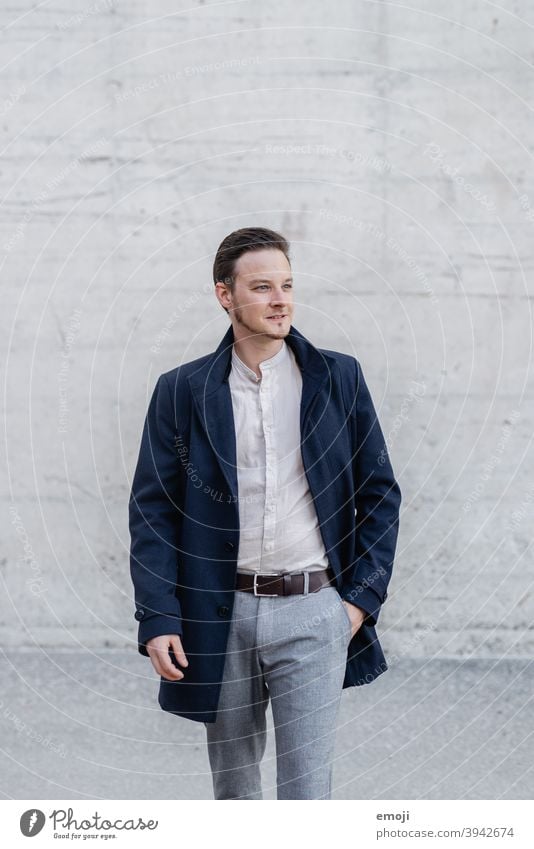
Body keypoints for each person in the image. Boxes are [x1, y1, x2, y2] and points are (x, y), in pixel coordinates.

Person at [128, 226, 401, 800]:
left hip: (314, 613)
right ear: (225, 295)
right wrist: (158, 617)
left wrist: (357, 604)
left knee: (307, 797)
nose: (281, 300)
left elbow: (380, 493)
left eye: (287, 285)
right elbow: (153, 510)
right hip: (219, 615)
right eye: (261, 287)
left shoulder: (337, 378)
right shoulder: (181, 391)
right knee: (236, 796)